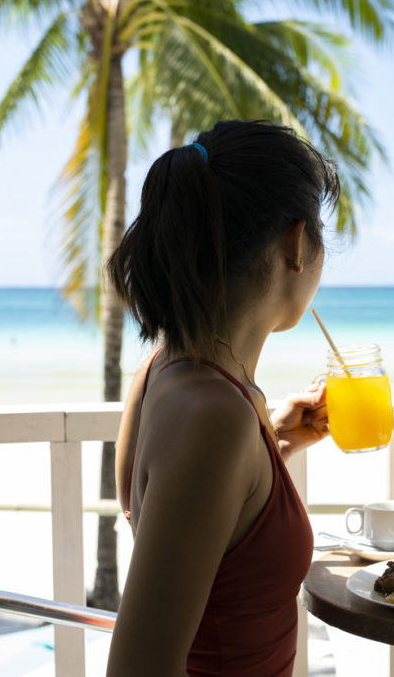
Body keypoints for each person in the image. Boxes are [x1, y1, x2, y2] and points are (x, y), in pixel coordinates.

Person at [104, 120, 339, 676]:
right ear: (296, 242)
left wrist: (274, 442)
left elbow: (196, 540)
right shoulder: (215, 417)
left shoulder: (163, 371)